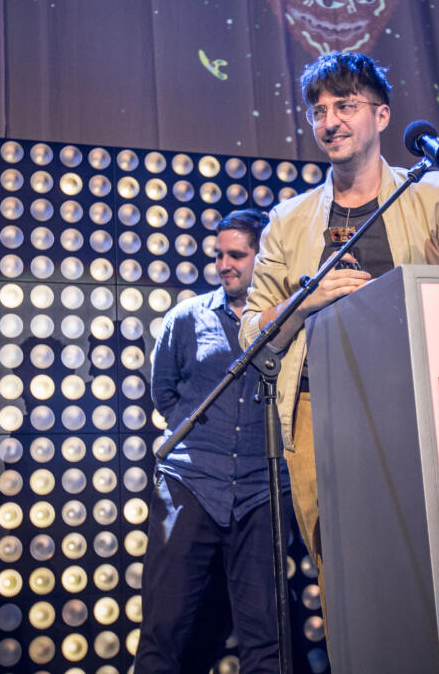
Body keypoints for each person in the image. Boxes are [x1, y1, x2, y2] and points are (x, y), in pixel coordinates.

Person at [240, 51, 439, 627]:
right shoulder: (287, 220)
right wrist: (304, 299)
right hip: (317, 412)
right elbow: (251, 334)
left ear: (382, 116)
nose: (329, 121)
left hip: (423, 404)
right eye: (318, 111)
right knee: (345, 580)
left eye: (345, 106)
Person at [136, 209, 290, 674]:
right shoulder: (186, 318)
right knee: (163, 626)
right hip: (191, 484)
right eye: (219, 255)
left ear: (263, 257)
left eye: (236, 255)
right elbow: (164, 392)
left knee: (266, 634)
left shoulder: (291, 319)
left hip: (262, 490)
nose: (224, 265)